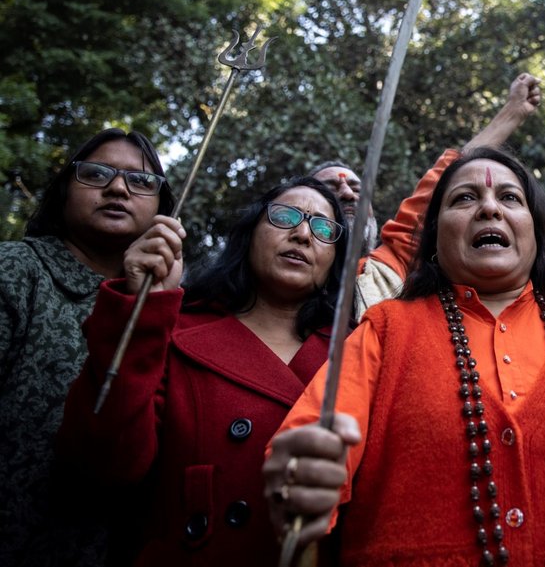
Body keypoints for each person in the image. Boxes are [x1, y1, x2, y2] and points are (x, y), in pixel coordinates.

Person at [263, 148, 545, 566]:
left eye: (510, 198)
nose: (489, 207)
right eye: (464, 199)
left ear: (535, 232)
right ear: (435, 240)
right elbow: (307, 453)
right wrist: (302, 477)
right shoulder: (385, 329)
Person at [56, 177, 349, 566]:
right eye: (285, 216)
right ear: (249, 235)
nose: (301, 234)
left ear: (335, 259)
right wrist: (141, 311)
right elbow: (104, 464)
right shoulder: (174, 330)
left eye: (324, 228)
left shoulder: (358, 354)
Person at [0, 128, 173, 567]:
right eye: (96, 174)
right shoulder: (15, 271)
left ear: (162, 210)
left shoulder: (172, 315)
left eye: (141, 181)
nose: (117, 187)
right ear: (64, 191)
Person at [313, 73, 543, 314]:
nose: (349, 194)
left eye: (358, 189)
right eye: (331, 188)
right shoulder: (276, 269)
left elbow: (446, 181)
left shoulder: (392, 264)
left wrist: (513, 111)